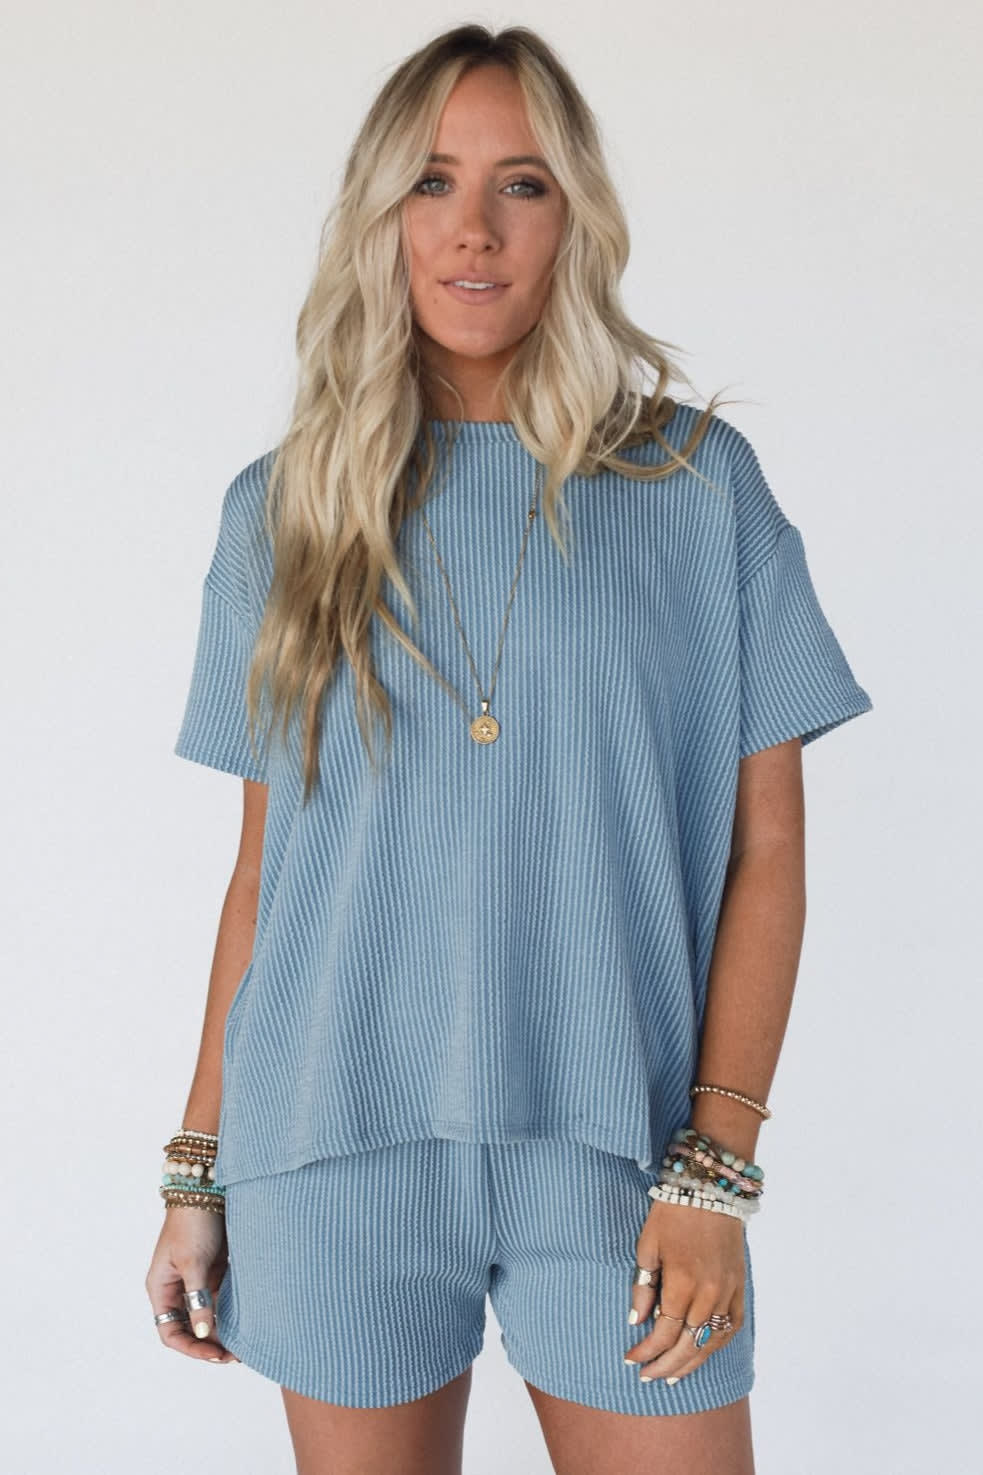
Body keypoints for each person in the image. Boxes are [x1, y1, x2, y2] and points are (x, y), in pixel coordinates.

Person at [144, 23, 873, 1475]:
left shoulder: (696, 486)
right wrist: (196, 1169)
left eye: (520, 184)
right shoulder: (281, 509)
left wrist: (717, 1173)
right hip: (331, 1150)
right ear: (381, 214)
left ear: (574, 216)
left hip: (621, 1156)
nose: (472, 228)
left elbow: (770, 850)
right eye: (432, 182)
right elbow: (265, 880)